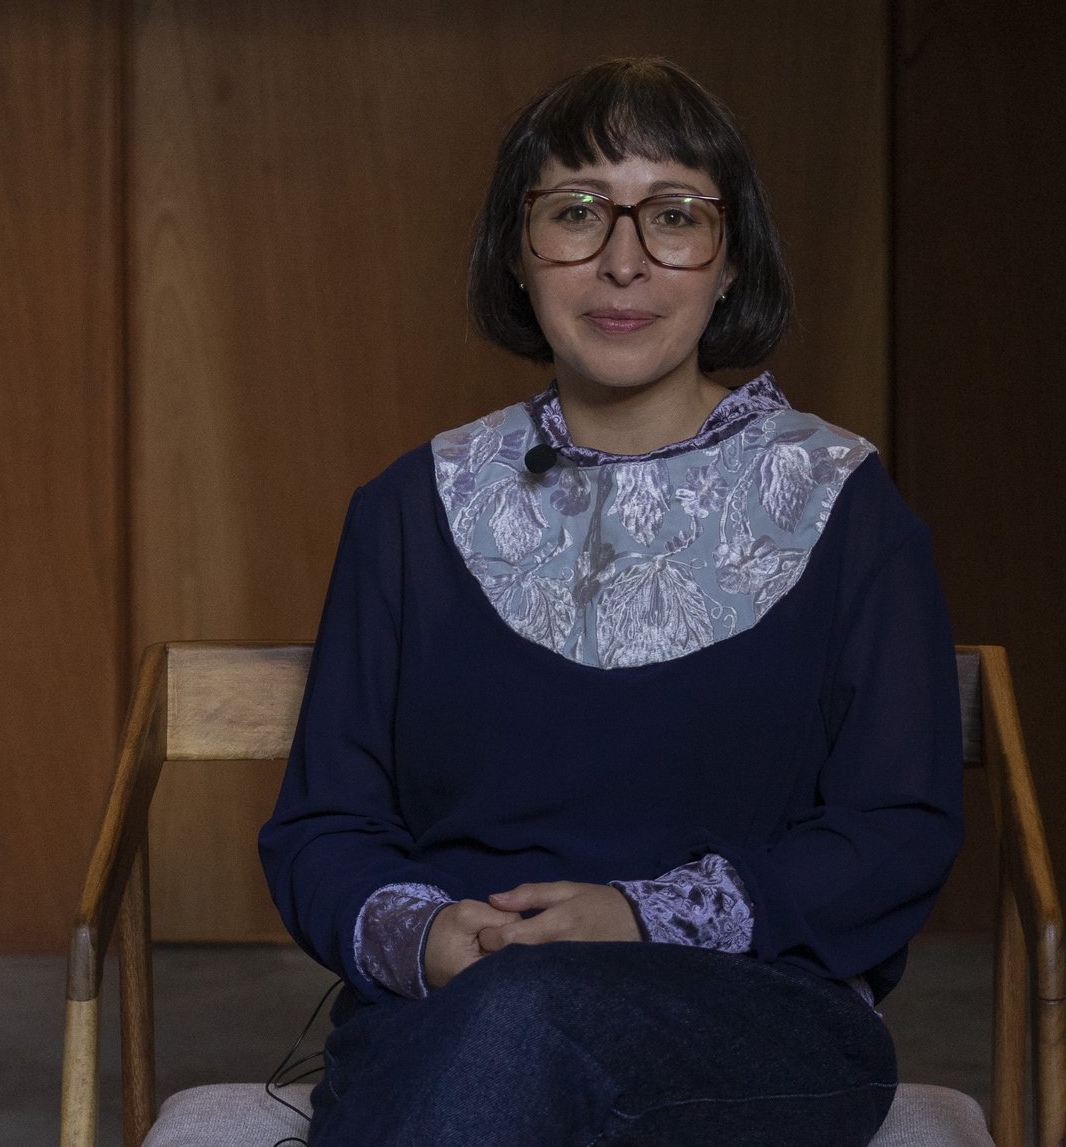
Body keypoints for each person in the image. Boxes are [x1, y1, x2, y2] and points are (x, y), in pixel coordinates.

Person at [258, 57, 966, 1147]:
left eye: (674, 216)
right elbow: (323, 824)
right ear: (517, 249)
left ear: (729, 262)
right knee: (498, 1023)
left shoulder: (845, 505)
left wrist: (638, 914)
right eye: (576, 212)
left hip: (753, 1023)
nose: (623, 260)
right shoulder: (410, 507)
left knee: (520, 1022)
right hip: (445, 1013)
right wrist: (435, 933)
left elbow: (894, 830)